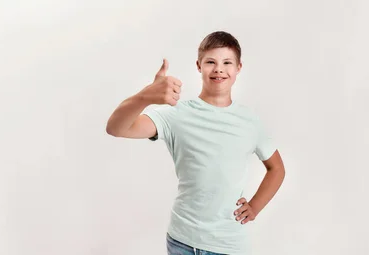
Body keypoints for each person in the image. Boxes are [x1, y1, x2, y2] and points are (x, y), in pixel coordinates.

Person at [105, 31, 286, 255]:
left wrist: (255, 206)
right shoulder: (176, 114)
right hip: (182, 241)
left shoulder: (251, 122)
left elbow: (276, 168)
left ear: (238, 68)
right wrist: (146, 96)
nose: (219, 68)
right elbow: (116, 128)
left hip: (229, 245)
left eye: (227, 62)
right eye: (211, 62)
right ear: (199, 66)